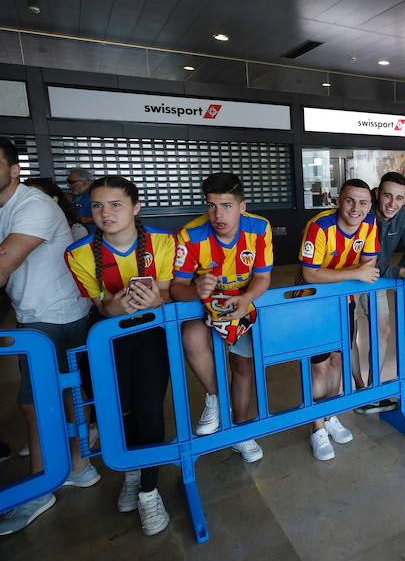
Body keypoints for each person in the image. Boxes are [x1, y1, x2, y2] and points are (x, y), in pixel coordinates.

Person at [63, 175, 175, 536]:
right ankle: (131, 471)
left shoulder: (162, 242)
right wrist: (113, 307)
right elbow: (99, 304)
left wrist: (156, 300)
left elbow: (167, 292)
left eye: (115, 204)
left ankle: (149, 489)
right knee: (120, 409)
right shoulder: (78, 254)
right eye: (97, 205)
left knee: (149, 408)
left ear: (135, 207)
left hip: (151, 337)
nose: (105, 213)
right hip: (107, 340)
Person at [0, 138, 97, 536]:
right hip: (38, 314)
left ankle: (43, 483)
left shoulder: (34, 206)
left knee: (36, 403)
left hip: (55, 317)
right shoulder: (8, 207)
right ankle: (76, 465)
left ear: (13, 170)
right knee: (53, 398)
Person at [170, 173, 272, 464]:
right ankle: (214, 397)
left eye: (226, 205)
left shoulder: (259, 228)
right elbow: (177, 287)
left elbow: (263, 277)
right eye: (211, 205)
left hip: (242, 306)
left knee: (242, 367)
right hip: (202, 309)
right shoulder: (190, 235)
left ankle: (239, 432)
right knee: (191, 336)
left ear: (242, 206)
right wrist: (195, 290)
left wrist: (246, 299)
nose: (218, 214)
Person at [298, 178, 379, 461]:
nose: (356, 208)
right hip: (313, 305)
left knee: (338, 360)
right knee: (319, 368)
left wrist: (352, 273)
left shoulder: (370, 225)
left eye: (363, 202)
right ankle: (317, 427)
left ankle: (330, 416)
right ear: (338, 200)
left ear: (370, 205)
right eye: (349, 200)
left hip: (343, 304)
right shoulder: (319, 227)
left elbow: (369, 267)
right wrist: (354, 274)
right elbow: (311, 275)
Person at [356, 172, 405, 414]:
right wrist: (403, 273)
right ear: (377, 194)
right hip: (343, 279)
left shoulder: (403, 215)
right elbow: (371, 263)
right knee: (348, 336)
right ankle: (360, 390)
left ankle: (372, 390)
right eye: (387, 195)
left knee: (383, 331)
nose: (392, 203)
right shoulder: (363, 214)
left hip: (374, 280)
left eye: (399, 198)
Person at [24, 177, 88, 241]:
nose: (27, 203)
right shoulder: (24, 225)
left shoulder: (75, 229)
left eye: (36, 198)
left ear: (54, 200)